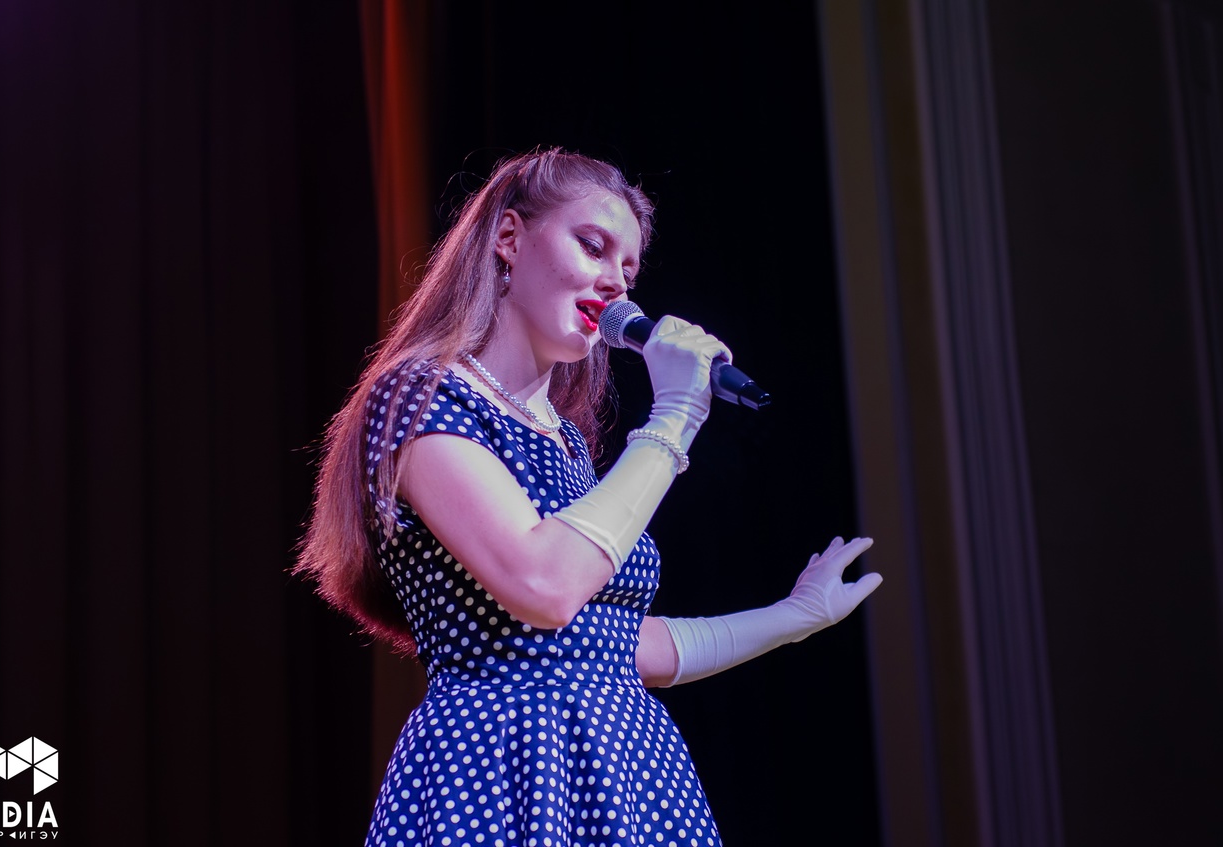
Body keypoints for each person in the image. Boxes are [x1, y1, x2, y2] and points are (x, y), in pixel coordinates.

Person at [296, 147, 882, 847]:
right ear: (509, 238)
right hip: (502, 763)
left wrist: (794, 616)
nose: (617, 282)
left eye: (629, 269)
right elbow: (543, 584)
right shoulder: (424, 395)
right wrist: (674, 418)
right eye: (593, 246)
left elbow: (620, 644)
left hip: (623, 765)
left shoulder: (569, 446)